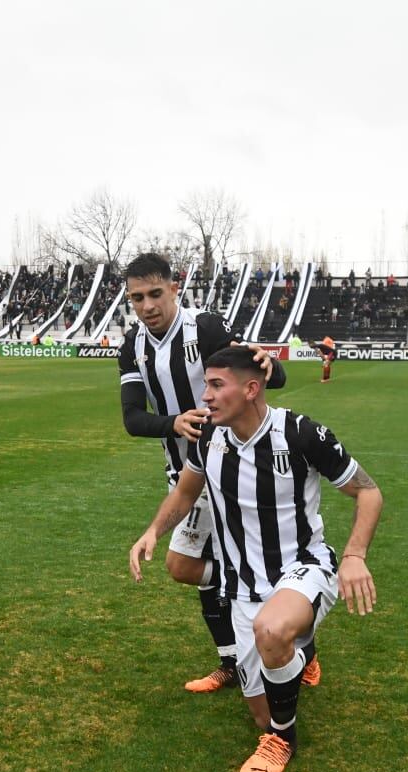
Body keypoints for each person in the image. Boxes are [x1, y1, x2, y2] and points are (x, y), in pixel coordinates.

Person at [130, 346, 382, 772]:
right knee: (263, 709)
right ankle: (299, 656)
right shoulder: (208, 436)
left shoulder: (301, 433)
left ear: (250, 389)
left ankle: (283, 741)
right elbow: (186, 492)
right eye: (205, 384)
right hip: (244, 587)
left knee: (272, 633)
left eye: (216, 384)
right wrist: (154, 530)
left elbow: (369, 491)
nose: (205, 395)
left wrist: (354, 555)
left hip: (304, 567)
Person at [117, 253, 301, 694]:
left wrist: (268, 363)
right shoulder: (132, 347)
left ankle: (297, 652)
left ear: (175, 288)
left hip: (236, 470)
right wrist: (173, 423)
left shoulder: (206, 328)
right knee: (185, 566)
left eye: (155, 294)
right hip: (184, 474)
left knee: (256, 564)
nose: (147, 306)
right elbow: (131, 418)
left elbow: (271, 380)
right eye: (137, 298)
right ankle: (233, 660)